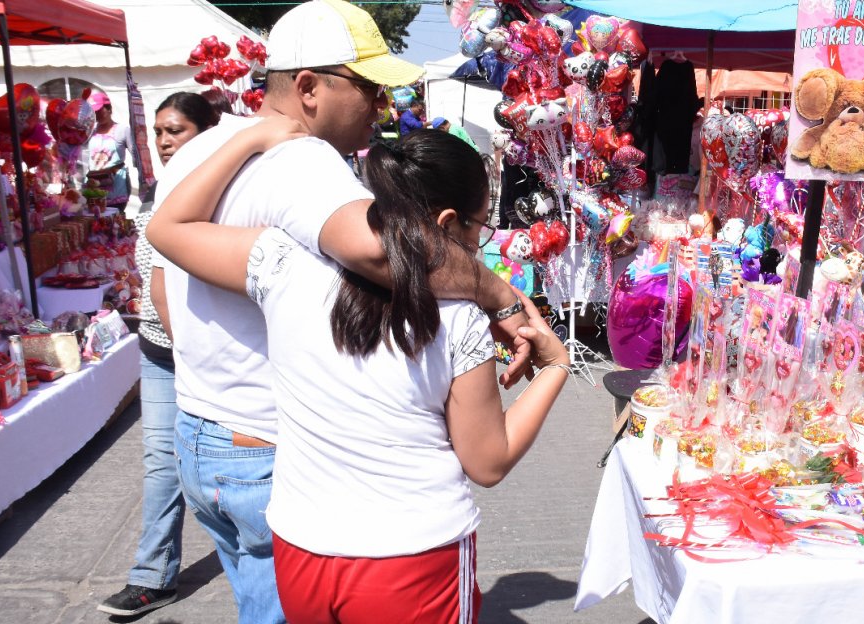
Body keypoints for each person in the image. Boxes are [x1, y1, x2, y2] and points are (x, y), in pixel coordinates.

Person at [144, 1, 533, 621]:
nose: (381, 108)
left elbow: (165, 269)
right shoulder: (304, 161)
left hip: (201, 429)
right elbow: (381, 251)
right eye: (370, 89)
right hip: (270, 448)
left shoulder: (205, 149)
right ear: (308, 87)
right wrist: (497, 293)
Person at [97, 92, 219, 617]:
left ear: (207, 133)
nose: (166, 142)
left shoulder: (227, 196)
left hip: (215, 355)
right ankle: (153, 576)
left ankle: (285, 560)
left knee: (244, 464)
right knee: (160, 464)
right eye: (160, 133)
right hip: (159, 350)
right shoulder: (151, 193)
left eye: (178, 131)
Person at [84, 91, 138, 212]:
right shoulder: (90, 132)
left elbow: (136, 155)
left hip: (116, 186)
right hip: (94, 186)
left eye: (100, 110)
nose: (97, 114)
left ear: (109, 109)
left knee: (115, 221)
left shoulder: (122, 130)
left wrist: (143, 180)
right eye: (94, 112)